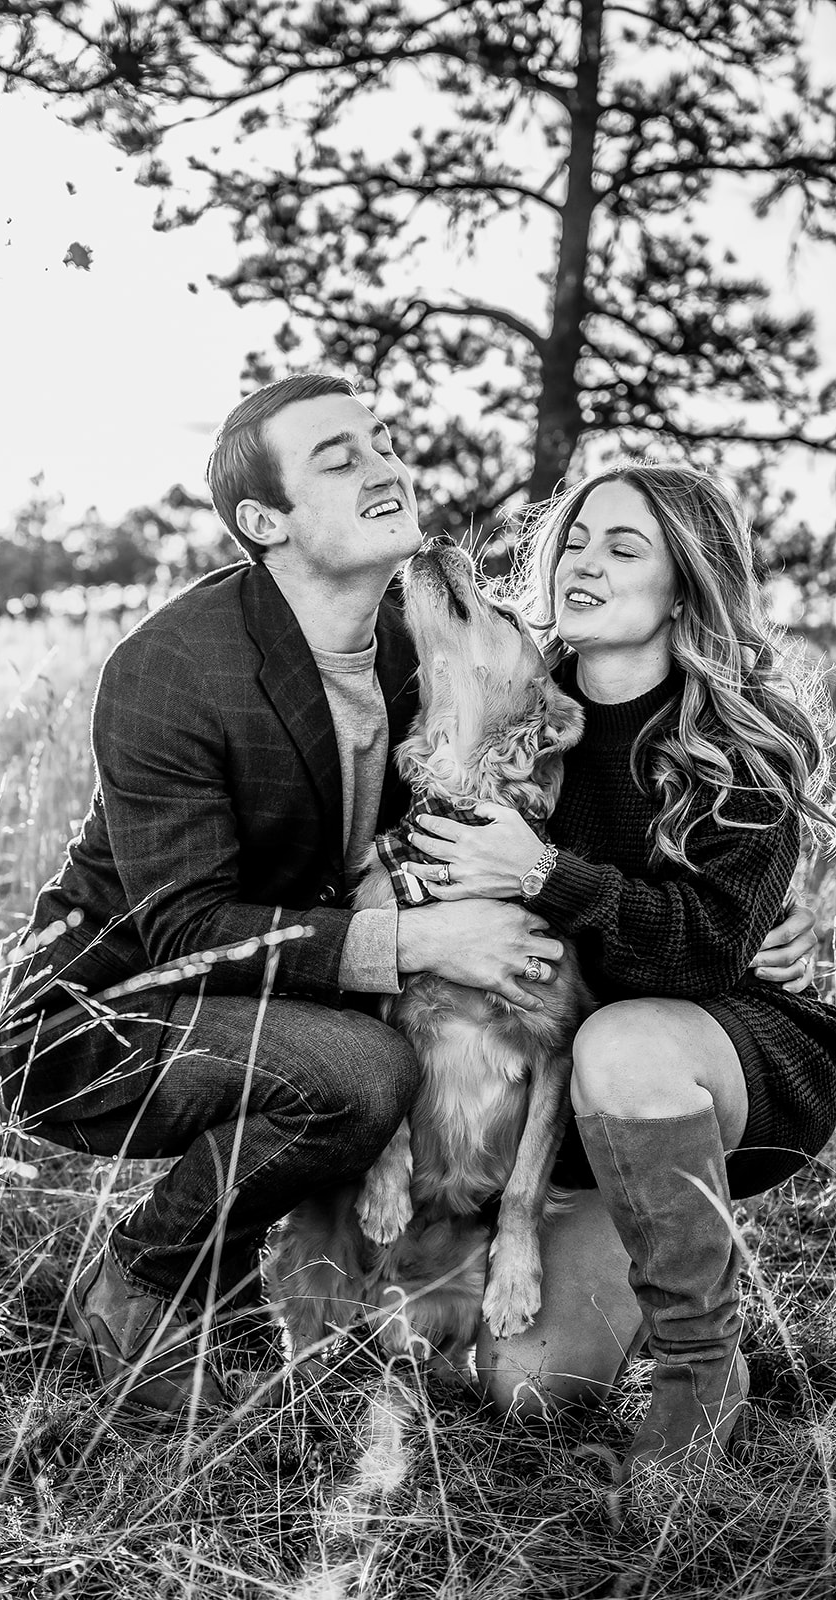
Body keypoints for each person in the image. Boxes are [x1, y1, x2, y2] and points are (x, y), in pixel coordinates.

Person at [0, 373, 569, 1420]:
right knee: (362, 1075)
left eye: (382, 442)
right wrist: (424, 939)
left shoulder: (414, 643)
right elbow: (184, 928)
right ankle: (142, 1277)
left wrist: (757, 901)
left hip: (273, 1001)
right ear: (266, 522)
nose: (385, 468)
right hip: (105, 1017)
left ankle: (224, 1286)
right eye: (339, 460)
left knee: (355, 1062)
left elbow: (542, 735)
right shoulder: (174, 666)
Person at [401, 461, 836, 1482]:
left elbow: (704, 951)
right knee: (531, 1386)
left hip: (716, 1050)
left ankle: (701, 1367)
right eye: (578, 540)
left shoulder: (742, 736)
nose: (584, 563)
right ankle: (645, 1236)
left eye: (624, 547)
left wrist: (543, 874)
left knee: (620, 1040)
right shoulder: (511, 692)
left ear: (685, 587)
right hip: (563, 1098)